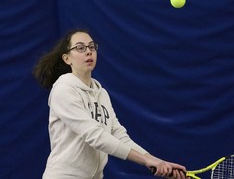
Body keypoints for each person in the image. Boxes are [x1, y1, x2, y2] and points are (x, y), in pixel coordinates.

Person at [33, 29, 188, 179]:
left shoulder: (102, 94)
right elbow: (95, 135)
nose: (88, 51)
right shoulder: (64, 90)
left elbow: (118, 134)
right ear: (67, 59)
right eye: (80, 48)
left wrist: (155, 161)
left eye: (92, 47)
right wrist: (146, 160)